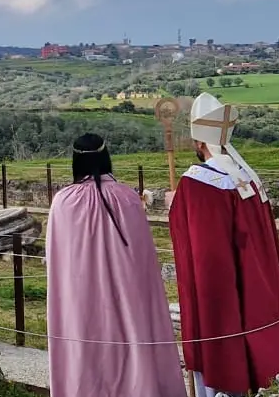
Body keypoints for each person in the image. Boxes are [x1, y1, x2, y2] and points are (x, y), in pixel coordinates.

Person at [170, 94, 279, 397]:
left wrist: (174, 205)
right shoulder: (246, 176)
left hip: (219, 290)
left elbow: (201, 248)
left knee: (221, 338)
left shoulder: (198, 182)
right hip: (256, 281)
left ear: (199, 142)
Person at [47, 133, 182, 397]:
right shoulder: (128, 199)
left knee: (85, 343)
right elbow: (143, 266)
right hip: (129, 298)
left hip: (81, 302)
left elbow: (60, 266)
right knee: (133, 337)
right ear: (106, 157)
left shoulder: (64, 202)